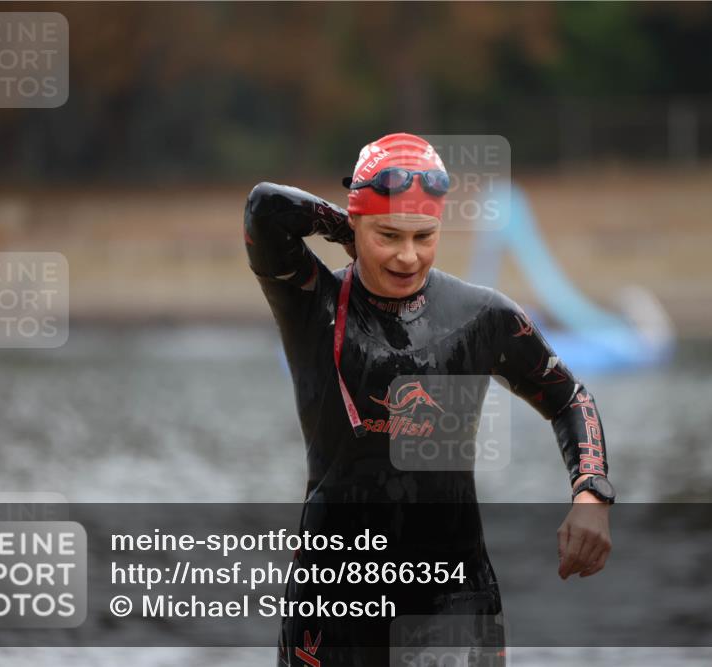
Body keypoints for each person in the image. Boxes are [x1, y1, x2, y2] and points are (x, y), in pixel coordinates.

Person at [244, 133, 613, 667]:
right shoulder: (314, 306)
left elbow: (569, 399)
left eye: (424, 235)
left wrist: (591, 495)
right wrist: (339, 222)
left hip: (452, 596)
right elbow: (265, 208)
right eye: (387, 235)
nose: (407, 255)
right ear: (356, 227)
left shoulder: (480, 317)